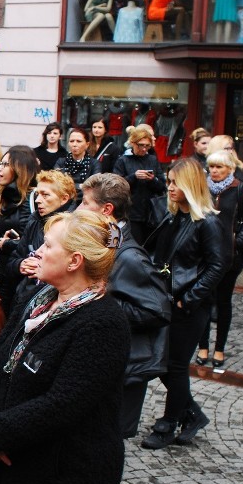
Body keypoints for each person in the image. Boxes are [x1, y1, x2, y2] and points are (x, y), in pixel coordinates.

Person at [0, 210, 130, 484]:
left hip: (64, 477)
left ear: (74, 261)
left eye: (48, 245)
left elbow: (63, 403)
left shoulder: (103, 323)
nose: (38, 252)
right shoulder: (39, 300)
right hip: (16, 461)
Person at [142, 159, 229, 449]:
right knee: (164, 365)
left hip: (189, 306)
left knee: (174, 366)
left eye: (175, 182)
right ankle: (191, 414)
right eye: (168, 181)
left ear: (190, 184)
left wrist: (188, 300)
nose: (169, 187)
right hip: (168, 301)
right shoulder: (173, 216)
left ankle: (169, 423)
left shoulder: (208, 222)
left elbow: (218, 267)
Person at [79, 173, 171, 438]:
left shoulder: (130, 257)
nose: (79, 209)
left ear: (106, 209)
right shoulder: (104, 242)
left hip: (125, 368)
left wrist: (102, 303)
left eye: (85, 203)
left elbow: (157, 310)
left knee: (107, 441)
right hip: (104, 361)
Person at [196, 151, 243, 372]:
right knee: (204, 299)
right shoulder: (203, 188)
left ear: (229, 168)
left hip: (231, 255)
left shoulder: (239, 188)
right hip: (205, 254)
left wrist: (237, 241)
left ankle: (219, 348)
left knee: (223, 301)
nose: (215, 171)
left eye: (219, 167)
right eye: (211, 167)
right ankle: (203, 346)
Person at [5, 169, 77, 315]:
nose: (38, 200)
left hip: (54, 307)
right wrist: (21, 265)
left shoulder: (74, 229)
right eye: (38, 194)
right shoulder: (35, 221)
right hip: (24, 300)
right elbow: (13, 260)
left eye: (45, 195)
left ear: (64, 199)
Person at [113, 127, 165, 244]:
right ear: (133, 143)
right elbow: (116, 186)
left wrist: (153, 179)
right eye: (141, 145)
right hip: (130, 212)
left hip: (151, 212)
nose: (144, 149)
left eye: (147, 145)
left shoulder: (152, 159)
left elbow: (162, 186)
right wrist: (134, 176)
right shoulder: (123, 160)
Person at [54, 127, 101, 199]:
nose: (74, 144)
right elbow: (56, 183)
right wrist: (80, 186)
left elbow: (95, 186)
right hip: (63, 200)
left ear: (87, 144)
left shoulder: (94, 164)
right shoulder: (61, 162)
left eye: (79, 141)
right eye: (72, 141)